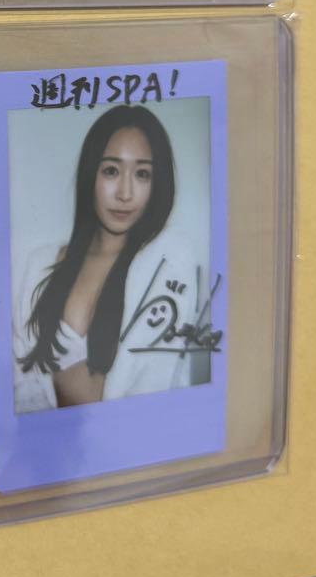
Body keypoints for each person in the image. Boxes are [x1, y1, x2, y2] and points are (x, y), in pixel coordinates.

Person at [14, 105, 196, 412]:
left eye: (142, 174)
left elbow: (149, 395)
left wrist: (50, 385)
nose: (125, 193)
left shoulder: (167, 261)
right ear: (91, 175)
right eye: (111, 170)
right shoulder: (38, 266)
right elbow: (13, 388)